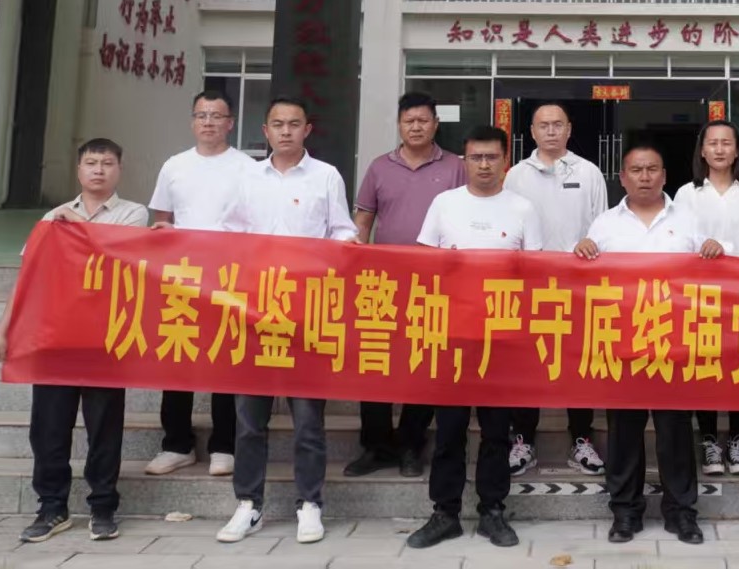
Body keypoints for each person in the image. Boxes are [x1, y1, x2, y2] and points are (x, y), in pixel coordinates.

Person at [215, 98, 357, 546]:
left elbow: (342, 230)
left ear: (307, 130)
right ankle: (248, 504)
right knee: (249, 418)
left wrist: (341, 251)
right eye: (277, 124)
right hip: (254, 309)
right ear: (265, 130)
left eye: (294, 124)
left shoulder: (326, 176)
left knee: (308, 418)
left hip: (306, 311)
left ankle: (309, 503)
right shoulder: (247, 177)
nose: (286, 131)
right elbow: (228, 233)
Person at [0, 138, 147, 544]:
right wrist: (4, 329)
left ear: (119, 170)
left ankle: (103, 507)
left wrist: (71, 226)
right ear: (79, 170)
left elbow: (117, 256)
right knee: (48, 429)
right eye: (91, 163)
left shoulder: (133, 214)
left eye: (107, 163)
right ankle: (51, 508)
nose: (98, 170)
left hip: (104, 339)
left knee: (104, 429)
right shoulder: (52, 216)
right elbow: (29, 277)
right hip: (54, 337)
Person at [573, 136, 723, 546]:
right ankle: (625, 513)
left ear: (664, 175)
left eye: (652, 169)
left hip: (674, 344)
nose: (644, 176)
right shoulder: (605, 225)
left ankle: (682, 514)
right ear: (622, 177)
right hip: (622, 345)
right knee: (624, 433)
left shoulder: (688, 221)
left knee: (676, 432)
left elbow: (713, 275)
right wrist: (582, 250)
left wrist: (715, 249)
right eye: (636, 170)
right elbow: (585, 282)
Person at [406, 125, 544, 551]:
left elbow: (536, 272)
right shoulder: (444, 204)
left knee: (497, 431)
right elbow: (423, 264)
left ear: (505, 161)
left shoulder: (522, 208)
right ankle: (444, 513)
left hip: (501, 337)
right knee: (449, 429)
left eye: (491, 157)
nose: (484, 165)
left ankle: (492, 511)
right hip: (452, 335)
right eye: (476, 157)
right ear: (464, 160)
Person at [345, 91, 467, 479]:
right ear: (399, 125)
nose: (416, 127)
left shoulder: (456, 167)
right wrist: (356, 261)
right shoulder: (380, 167)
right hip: (383, 283)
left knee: (422, 363)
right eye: (409, 121)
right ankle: (376, 445)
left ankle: (412, 443)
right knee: (375, 361)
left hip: (436, 285)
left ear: (435, 124)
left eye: (423, 120)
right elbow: (363, 220)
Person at [143, 89, 256, 479]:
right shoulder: (174, 165)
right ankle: (177, 444)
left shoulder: (247, 168)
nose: (208, 122)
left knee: (226, 358)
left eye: (216, 116)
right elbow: (162, 218)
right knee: (178, 355)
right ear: (193, 121)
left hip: (229, 275)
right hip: (183, 275)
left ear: (230, 123)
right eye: (201, 115)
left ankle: (225, 445)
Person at [503, 102, 608, 478]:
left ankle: (581, 439)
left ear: (569, 129)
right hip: (528, 286)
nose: (550, 131)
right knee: (525, 364)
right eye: (543, 125)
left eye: (557, 124)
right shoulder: (516, 175)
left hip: (577, 286)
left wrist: (591, 245)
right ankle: (523, 440)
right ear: (532, 132)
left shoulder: (589, 172)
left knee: (578, 363)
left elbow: (603, 226)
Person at [671, 119, 739, 478]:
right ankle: (710, 439)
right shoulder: (687, 194)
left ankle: (738, 437)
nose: (720, 149)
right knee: (705, 365)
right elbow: (678, 240)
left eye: (727, 143)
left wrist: (726, 248)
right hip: (700, 295)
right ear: (702, 151)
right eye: (713, 143)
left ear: (737, 150)